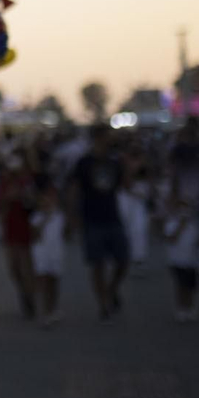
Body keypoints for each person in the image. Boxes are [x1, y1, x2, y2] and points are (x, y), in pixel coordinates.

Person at [68, 127, 129, 321]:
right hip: (92, 218)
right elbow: (75, 189)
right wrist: (73, 217)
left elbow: (125, 185)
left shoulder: (115, 161)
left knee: (123, 259)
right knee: (97, 264)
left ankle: (111, 290)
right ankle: (103, 303)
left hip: (113, 216)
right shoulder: (84, 163)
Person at [0, 148, 38, 320]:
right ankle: (24, 293)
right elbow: (0, 207)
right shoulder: (5, 183)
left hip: (26, 227)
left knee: (27, 265)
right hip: (10, 227)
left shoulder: (28, 182)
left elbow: (34, 203)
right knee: (14, 267)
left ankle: (31, 297)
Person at [30, 173, 65, 327]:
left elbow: (67, 232)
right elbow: (36, 234)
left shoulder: (59, 216)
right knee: (42, 280)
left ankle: (53, 308)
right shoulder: (36, 217)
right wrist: (45, 217)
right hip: (41, 252)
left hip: (55, 252)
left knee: (54, 280)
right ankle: (44, 312)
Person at [162, 196, 199, 322]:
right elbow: (171, 239)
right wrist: (181, 225)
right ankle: (180, 308)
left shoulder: (194, 225)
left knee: (191, 286)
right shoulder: (171, 223)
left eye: (186, 207)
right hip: (177, 261)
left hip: (192, 261)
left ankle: (190, 306)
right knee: (180, 285)